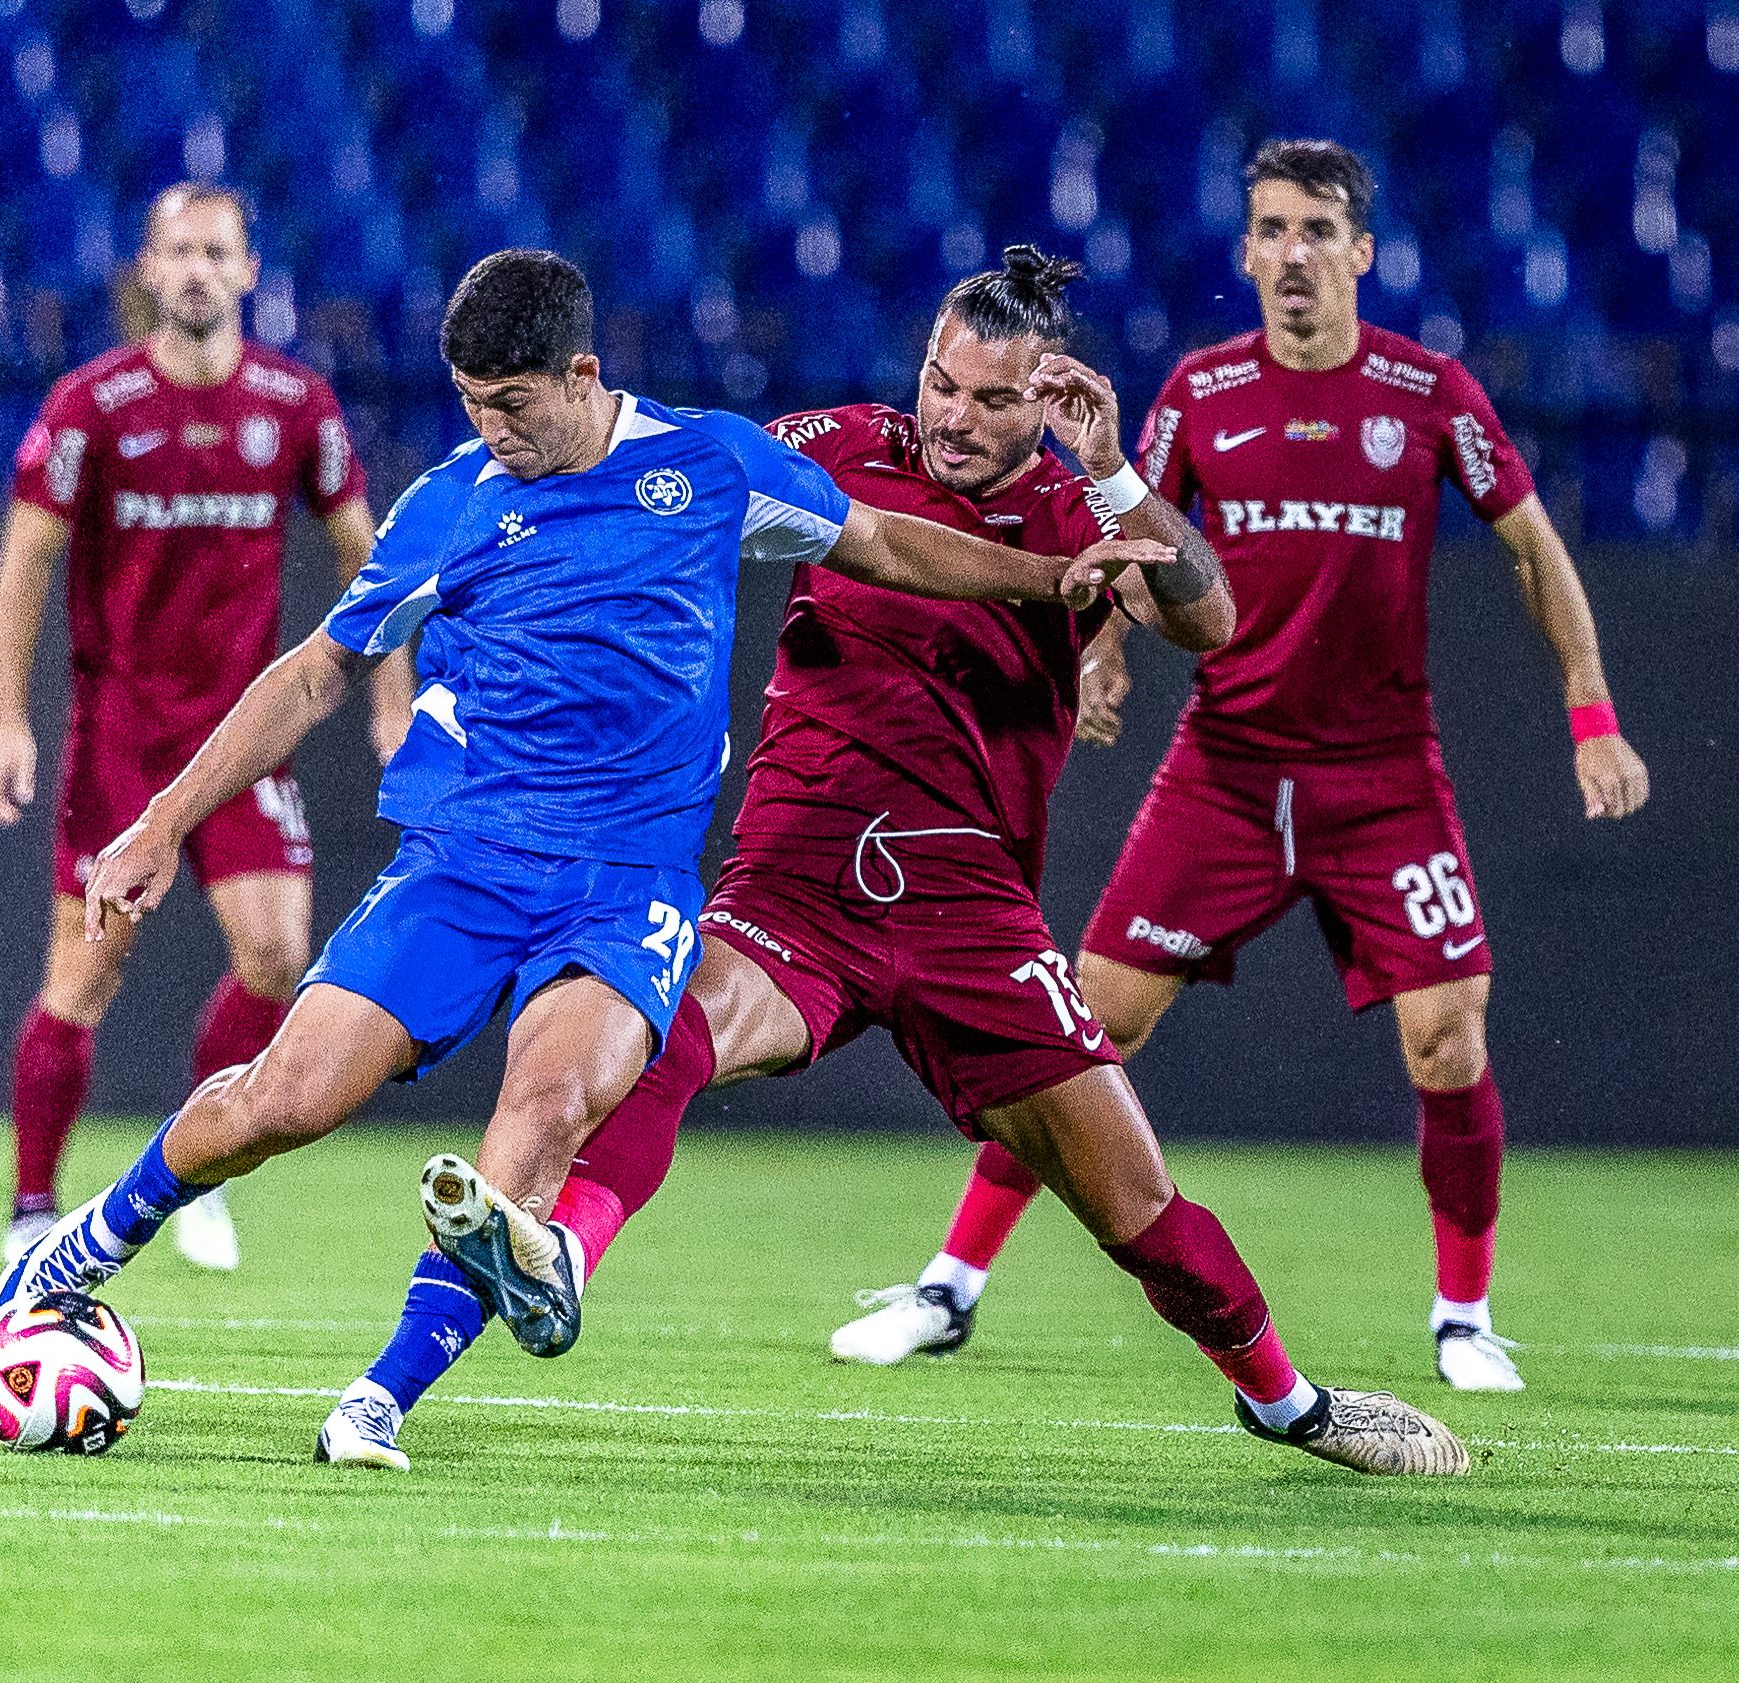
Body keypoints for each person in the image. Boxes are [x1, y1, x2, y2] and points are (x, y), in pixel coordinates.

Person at [313, 248, 1469, 1481]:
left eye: (987, 398)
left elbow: (1209, 618)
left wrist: (1114, 470)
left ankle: (1288, 1404)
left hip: (971, 909)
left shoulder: (1086, 510)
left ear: (1048, 398)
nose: (952, 417)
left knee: (1135, 1208)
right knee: (661, 1037)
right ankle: (555, 1263)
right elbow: (652, 476)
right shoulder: (833, 445)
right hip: (795, 877)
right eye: (938, 383)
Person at [0, 249, 1138, 1376]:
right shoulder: (451, 501)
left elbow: (884, 541)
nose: (491, 428)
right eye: (471, 405)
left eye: (511, 404)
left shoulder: (707, 464)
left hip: (626, 884)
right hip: (465, 865)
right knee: (285, 1102)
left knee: (544, 1123)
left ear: (582, 376)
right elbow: (310, 673)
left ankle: (383, 1396)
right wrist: (165, 820)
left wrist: (1046, 582)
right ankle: (84, 1243)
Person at [835, 140, 1652, 1393]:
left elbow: (1534, 550)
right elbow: (1123, 530)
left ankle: (1463, 1315)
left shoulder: (1427, 394)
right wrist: (1098, 654)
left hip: (1382, 780)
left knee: (1447, 1037)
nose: (1290, 254)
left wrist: (1590, 712)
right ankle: (949, 1287)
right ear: (1244, 252)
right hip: (1222, 768)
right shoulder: (1201, 393)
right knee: (1083, 1024)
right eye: (1268, 230)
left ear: (1360, 251)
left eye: (1315, 230)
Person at [0, 183, 409, 1269]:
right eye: (178, 251)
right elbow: (26, 558)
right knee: (85, 974)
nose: (197, 270)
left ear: (249, 270)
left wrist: (390, 697)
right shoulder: (93, 406)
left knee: (276, 956)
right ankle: (33, 1208)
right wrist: (6, 720)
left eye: (217, 251)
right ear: (148, 268)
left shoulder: (295, 407)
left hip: (238, 740)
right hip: (120, 739)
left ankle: (192, 1162)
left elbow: (368, 557)